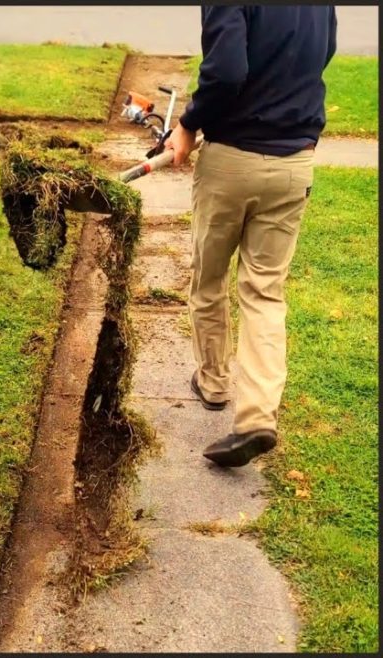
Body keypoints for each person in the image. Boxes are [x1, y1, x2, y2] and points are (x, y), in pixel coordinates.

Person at [166, 6, 337, 467]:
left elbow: (225, 71)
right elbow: (324, 51)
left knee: (209, 278)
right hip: (294, 163)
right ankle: (258, 416)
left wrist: (187, 124)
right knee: (264, 291)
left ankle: (214, 383)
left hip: (232, 162)